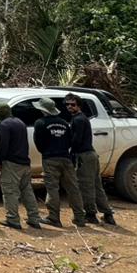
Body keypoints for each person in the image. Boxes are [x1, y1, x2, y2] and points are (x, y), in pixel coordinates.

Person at [33, 97, 86, 227]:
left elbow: (38, 142)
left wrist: (46, 151)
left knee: (52, 189)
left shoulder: (40, 123)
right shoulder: (64, 123)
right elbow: (69, 141)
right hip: (66, 158)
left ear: (42, 110)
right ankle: (80, 217)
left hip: (50, 159)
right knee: (73, 188)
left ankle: (53, 217)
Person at [66, 94, 116, 225]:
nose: (70, 107)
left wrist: (71, 152)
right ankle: (107, 213)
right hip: (91, 155)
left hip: (84, 156)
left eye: (73, 104)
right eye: (68, 104)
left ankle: (90, 214)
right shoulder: (82, 119)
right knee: (96, 185)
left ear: (79, 106)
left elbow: (76, 140)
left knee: (86, 186)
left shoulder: (78, 120)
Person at [0, 102, 41, 229]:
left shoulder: (4, 125)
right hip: (24, 162)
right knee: (27, 191)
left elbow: (3, 145)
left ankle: (13, 219)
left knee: (10, 191)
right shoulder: (20, 122)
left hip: (12, 163)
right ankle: (34, 217)